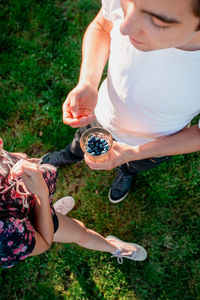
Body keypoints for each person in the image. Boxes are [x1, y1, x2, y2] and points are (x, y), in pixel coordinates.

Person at [41, 0, 200, 204]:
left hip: (154, 144)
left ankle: (127, 171)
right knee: (80, 140)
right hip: (102, 114)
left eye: (158, 21)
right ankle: (71, 154)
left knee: (135, 164)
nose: (125, 27)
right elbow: (103, 26)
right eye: (128, 3)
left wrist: (134, 153)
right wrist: (88, 81)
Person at [0, 137, 147, 268]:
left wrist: (15, 158)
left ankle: (48, 211)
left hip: (28, 202)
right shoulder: (6, 235)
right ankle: (114, 248)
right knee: (82, 233)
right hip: (34, 224)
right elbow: (45, 242)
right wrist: (42, 196)